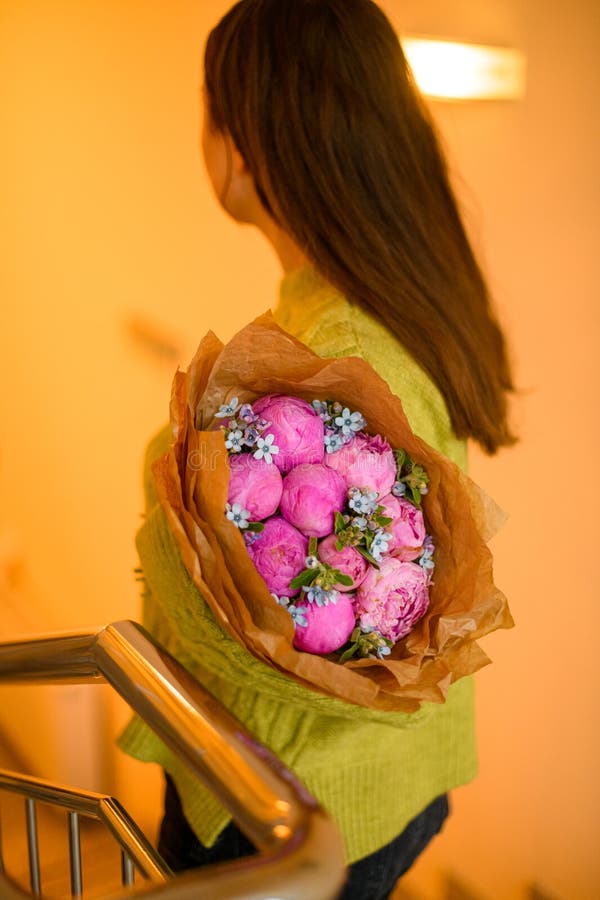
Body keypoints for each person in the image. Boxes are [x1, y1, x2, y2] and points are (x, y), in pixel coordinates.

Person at [120, 1, 516, 897]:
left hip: (288, 807)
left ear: (247, 142)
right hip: (388, 783)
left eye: (206, 107)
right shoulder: (385, 299)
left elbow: (315, 638)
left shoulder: (340, 353)